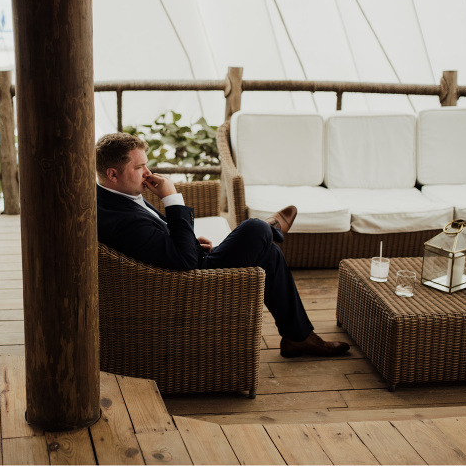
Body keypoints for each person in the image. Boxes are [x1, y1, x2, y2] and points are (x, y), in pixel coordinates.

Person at [95, 132, 350, 358]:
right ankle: (270, 229)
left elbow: (154, 239)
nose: (148, 173)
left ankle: (298, 338)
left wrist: (192, 242)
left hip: (185, 263)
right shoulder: (119, 217)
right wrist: (171, 198)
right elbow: (183, 262)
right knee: (255, 228)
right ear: (113, 174)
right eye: (139, 167)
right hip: (188, 285)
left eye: (146, 165)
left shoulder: (116, 196)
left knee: (269, 252)